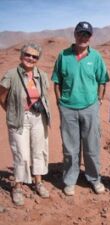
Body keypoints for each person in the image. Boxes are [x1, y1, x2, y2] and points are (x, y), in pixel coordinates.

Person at [51, 21, 109, 196]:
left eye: (86, 35)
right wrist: (59, 102)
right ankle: (70, 180)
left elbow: (102, 81)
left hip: (90, 107)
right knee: (70, 148)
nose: (83, 37)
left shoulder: (96, 57)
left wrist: (99, 99)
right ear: (74, 34)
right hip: (68, 108)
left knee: (92, 146)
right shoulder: (63, 55)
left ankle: (94, 178)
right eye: (80, 34)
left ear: (90, 37)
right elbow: (56, 81)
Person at [0, 43, 50, 206]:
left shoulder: (41, 75)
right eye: (28, 55)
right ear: (21, 56)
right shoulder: (12, 74)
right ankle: (18, 186)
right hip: (19, 119)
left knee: (38, 150)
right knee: (21, 153)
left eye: (34, 56)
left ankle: (38, 182)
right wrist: (11, 110)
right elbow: (1, 95)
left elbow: (45, 95)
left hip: (38, 118)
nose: (30, 58)